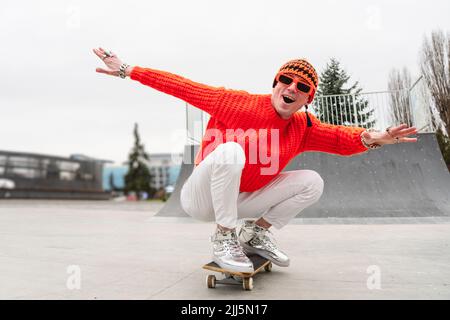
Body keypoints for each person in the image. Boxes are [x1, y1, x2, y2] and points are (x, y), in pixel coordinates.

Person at [93, 47, 418, 273]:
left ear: (307, 98)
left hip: (242, 199)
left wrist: (373, 137)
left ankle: (256, 233)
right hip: (201, 197)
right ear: (275, 84)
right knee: (232, 150)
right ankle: (224, 236)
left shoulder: (303, 126)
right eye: (286, 81)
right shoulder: (235, 103)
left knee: (312, 181)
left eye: (301, 87)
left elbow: (341, 137)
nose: (291, 89)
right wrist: (126, 69)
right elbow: (181, 86)